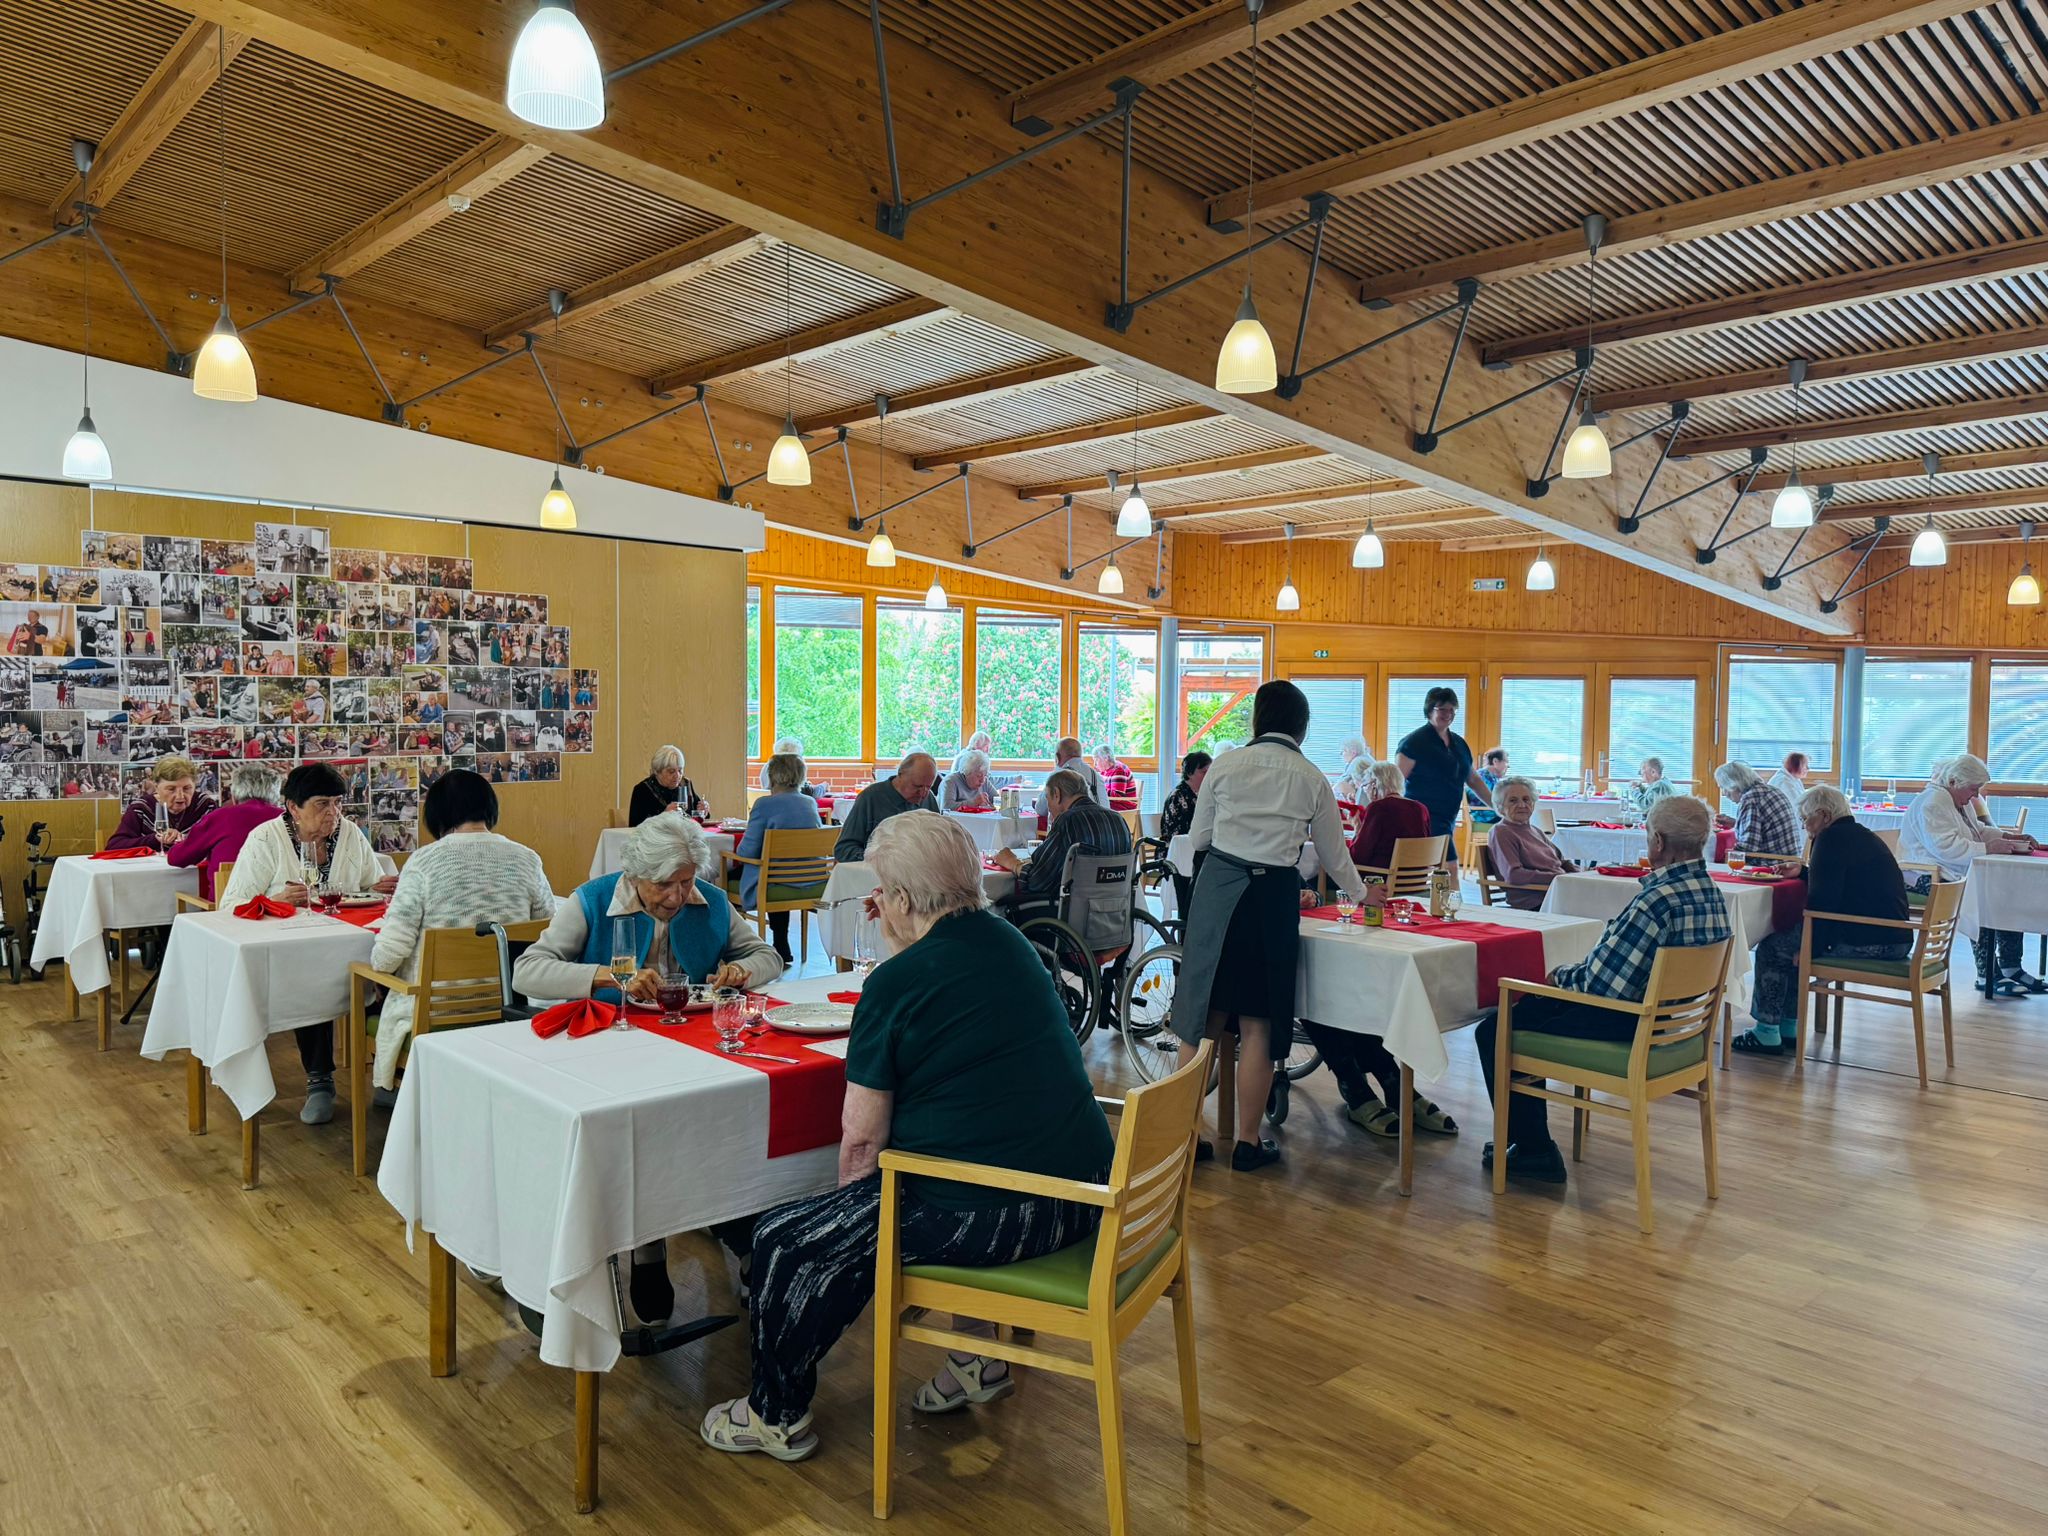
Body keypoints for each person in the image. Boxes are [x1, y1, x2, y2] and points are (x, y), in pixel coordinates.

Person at [700, 814, 1113, 1463]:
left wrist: (849, 1230)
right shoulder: (1011, 943)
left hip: (1004, 1216)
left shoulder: (894, 984)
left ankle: (772, 1415)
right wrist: (901, 933)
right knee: (957, 1158)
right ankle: (978, 1360)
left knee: (783, 1239)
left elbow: (862, 1147)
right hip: (1084, 1194)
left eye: (882, 891)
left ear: (901, 898)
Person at [516, 814, 783, 1320]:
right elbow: (528, 969)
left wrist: (742, 969)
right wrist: (603, 975)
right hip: (609, 1050)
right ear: (635, 875)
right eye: (665, 885)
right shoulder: (593, 901)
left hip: (691, 1047)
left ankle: (741, 1233)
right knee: (641, 1131)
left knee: (728, 1123)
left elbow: (767, 955)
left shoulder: (711, 901)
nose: (678, 896)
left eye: (686, 882)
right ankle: (647, 1248)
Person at [1475, 795, 1732, 1184]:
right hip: (1676, 1028)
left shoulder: (1657, 900)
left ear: (1658, 841)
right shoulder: (1712, 893)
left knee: (1498, 1027)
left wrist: (1558, 976)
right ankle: (1529, 1144)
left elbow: (1599, 986)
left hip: (1629, 1024)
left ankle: (1534, 1149)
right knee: (1528, 1010)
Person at [1169, 680, 1369, 1173]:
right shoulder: (1311, 776)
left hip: (1219, 891)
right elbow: (1333, 853)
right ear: (1302, 728)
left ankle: (1186, 1137)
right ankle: (1248, 1142)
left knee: (1203, 1016)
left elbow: (1200, 838)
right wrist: (1364, 895)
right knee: (1259, 1020)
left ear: (1257, 720)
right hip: (1273, 896)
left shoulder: (1225, 765)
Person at [221, 763, 398, 1127]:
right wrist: (276, 899)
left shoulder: (349, 833)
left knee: (393, 964)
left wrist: (378, 886)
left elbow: (368, 883)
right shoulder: (265, 839)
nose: (333, 812)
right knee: (314, 976)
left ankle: (386, 1074)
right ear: (293, 807)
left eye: (337, 802)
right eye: (322, 804)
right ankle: (320, 1080)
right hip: (291, 950)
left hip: (347, 942)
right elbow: (231, 905)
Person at [368, 770, 555, 1093]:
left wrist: (376, 969)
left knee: (369, 983)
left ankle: (395, 1094)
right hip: (513, 1005)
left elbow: (388, 956)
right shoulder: (527, 859)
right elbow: (546, 932)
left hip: (437, 1009)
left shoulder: (423, 862)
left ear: (437, 814)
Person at [1738, 785, 1909, 1054]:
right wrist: (1803, 871)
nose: (1803, 826)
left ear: (1824, 815)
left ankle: (1767, 1032)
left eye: (1806, 819)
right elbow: (1842, 883)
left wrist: (1811, 949)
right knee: (1791, 942)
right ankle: (1788, 1027)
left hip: (1873, 940)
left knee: (1774, 947)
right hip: (1891, 934)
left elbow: (1822, 903)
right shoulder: (1858, 834)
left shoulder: (1830, 839)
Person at [1902, 752, 2043, 995]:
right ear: (1953, 781)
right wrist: (1989, 848)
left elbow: (1977, 830)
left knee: (2009, 891)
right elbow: (1946, 848)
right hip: (1925, 876)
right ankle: (1986, 974)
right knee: (1983, 896)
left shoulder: (1956, 800)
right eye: (1973, 788)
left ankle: (2010, 966)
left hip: (1951, 870)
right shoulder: (1932, 803)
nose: (1976, 795)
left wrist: (2009, 837)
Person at [992, 768, 1130, 924]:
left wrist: (1013, 863)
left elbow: (1037, 881)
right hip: (1113, 917)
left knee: (1000, 912)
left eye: (1047, 798)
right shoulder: (1118, 819)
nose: (1048, 808)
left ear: (1057, 794)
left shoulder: (1068, 821)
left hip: (1071, 918)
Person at [733, 751, 825, 962]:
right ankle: (780, 942)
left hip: (775, 881)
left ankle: (737, 947)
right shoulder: (810, 803)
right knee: (775, 870)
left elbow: (747, 852)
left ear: (772, 776)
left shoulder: (764, 805)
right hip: (810, 879)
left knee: (729, 876)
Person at [1394, 688, 1492, 863]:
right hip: (1423, 816)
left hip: (1448, 816)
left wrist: (1496, 804)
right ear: (1429, 710)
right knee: (1449, 865)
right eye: (1442, 709)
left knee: (1441, 866)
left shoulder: (1459, 743)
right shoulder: (1413, 742)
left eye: (1452, 709)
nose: (1448, 714)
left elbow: (1472, 779)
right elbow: (1396, 782)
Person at [165, 762, 284, 902]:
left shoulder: (220, 817)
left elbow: (177, 858)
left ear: (234, 795)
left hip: (227, 907)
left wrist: (179, 842)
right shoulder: (287, 818)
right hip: (281, 905)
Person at [1484, 776, 1578, 910]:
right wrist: (1558, 877)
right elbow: (1514, 875)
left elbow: (1562, 861)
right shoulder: (1501, 832)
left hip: (1559, 892)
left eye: (1526, 799)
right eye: (1513, 800)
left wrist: (1580, 874)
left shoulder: (1535, 830)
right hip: (1537, 901)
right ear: (1500, 807)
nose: (1522, 805)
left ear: (1533, 804)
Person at [832, 752, 939, 862]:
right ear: (900, 775)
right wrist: (880, 860)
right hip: (877, 869)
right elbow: (844, 849)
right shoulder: (871, 797)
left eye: (928, 787)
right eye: (917, 786)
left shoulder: (928, 799)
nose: (923, 793)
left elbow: (939, 841)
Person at [105, 753, 217, 849]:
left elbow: (220, 840)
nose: (180, 796)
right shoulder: (141, 808)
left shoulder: (206, 805)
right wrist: (155, 839)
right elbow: (114, 846)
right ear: (156, 787)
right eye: (171, 789)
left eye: (187, 788)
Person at [1347, 760, 1431, 872]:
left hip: (1382, 878)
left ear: (1374, 784)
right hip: (1418, 877)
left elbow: (1357, 857)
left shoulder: (1378, 808)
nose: (1365, 791)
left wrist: (1357, 831)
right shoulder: (1420, 808)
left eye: (1365, 786)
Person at [1158, 751, 1211, 915]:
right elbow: (1176, 834)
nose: (1208, 776)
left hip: (1195, 847)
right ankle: (1189, 913)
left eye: (1209, 772)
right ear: (1190, 773)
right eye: (1203, 772)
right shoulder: (1178, 796)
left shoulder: (1204, 795)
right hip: (1174, 851)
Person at [1714, 761, 1801, 857]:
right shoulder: (1769, 789)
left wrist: (1722, 855)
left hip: (1773, 861)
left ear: (1733, 785)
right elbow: (1761, 829)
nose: (1724, 793)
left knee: (1713, 858)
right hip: (1790, 859)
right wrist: (1735, 823)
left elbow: (1748, 848)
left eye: (1723, 787)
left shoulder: (1751, 799)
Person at [628, 744, 706, 825]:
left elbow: (696, 815)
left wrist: (703, 810)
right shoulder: (642, 790)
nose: (677, 776)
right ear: (657, 771)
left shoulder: (685, 784)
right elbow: (635, 825)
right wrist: (663, 816)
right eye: (671, 771)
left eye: (680, 770)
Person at [1033, 737, 1106, 815]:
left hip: (1076, 822)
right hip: (1105, 820)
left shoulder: (1058, 777)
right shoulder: (1096, 775)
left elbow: (1040, 809)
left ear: (1057, 757)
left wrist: (1056, 770)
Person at [1091, 744, 1138, 809]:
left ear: (1106, 758)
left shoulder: (1119, 770)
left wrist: (1097, 789)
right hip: (1113, 803)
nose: (1095, 764)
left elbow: (1117, 796)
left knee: (1091, 806)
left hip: (1124, 806)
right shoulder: (1105, 770)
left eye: (1096, 760)